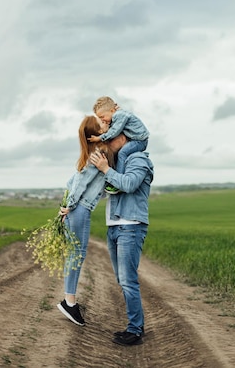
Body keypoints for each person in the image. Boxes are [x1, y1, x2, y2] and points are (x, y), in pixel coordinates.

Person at [90, 133, 154, 346]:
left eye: (111, 138)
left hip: (131, 226)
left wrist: (106, 169)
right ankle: (137, 325)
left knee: (128, 280)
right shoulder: (117, 162)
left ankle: (135, 330)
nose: (107, 142)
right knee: (122, 279)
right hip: (114, 227)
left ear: (125, 138)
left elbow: (129, 184)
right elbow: (103, 192)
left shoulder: (138, 159)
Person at [57, 115, 115, 327]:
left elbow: (71, 181)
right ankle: (69, 302)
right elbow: (78, 184)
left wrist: (66, 205)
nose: (105, 125)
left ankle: (70, 300)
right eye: (101, 125)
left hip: (79, 210)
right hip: (79, 210)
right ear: (94, 133)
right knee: (76, 254)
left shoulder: (95, 154)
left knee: (76, 254)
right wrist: (69, 206)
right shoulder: (96, 155)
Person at [89, 96, 149, 194]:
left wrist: (100, 137)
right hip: (137, 140)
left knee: (122, 153)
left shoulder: (137, 159)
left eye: (102, 117)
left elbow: (114, 131)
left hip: (140, 141)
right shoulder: (118, 115)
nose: (103, 120)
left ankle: (116, 185)